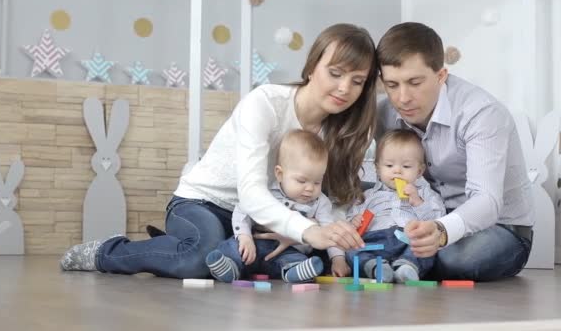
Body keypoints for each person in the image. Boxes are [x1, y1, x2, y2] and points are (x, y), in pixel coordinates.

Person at [59, 23, 379, 278]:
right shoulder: (265, 102)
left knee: (311, 256)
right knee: (199, 258)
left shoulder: (343, 131)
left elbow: (332, 200)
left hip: (262, 218)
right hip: (205, 202)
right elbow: (251, 193)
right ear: (312, 67)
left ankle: (193, 246)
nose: (344, 89)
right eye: (335, 74)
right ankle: (106, 254)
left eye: (357, 81)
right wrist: (306, 230)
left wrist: (309, 233)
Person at [375, 22, 534, 281]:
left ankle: (398, 261)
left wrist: (440, 230)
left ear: (441, 75)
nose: (402, 98)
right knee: (372, 240)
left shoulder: (481, 113)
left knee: (456, 259)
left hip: (501, 228)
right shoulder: (385, 113)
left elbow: (487, 201)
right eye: (392, 85)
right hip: (425, 220)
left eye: (414, 82)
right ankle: (403, 261)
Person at [206, 129, 352, 283]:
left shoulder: (320, 202)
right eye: (302, 181)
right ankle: (230, 268)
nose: (310, 188)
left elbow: (329, 232)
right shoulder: (266, 193)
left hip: (289, 250)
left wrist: (338, 260)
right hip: (255, 244)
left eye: (317, 182)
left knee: (296, 259)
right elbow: (243, 209)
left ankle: (294, 271)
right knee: (233, 247)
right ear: (280, 174)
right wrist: (244, 237)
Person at [345, 129, 445, 283]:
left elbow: (437, 223)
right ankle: (376, 268)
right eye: (389, 165)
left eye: (406, 166)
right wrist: (354, 221)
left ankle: (407, 268)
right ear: (378, 169)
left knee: (427, 248)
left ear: (419, 171)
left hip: (407, 240)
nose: (397, 171)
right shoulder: (368, 195)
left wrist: (418, 202)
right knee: (351, 250)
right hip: (374, 240)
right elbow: (351, 217)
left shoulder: (426, 195)